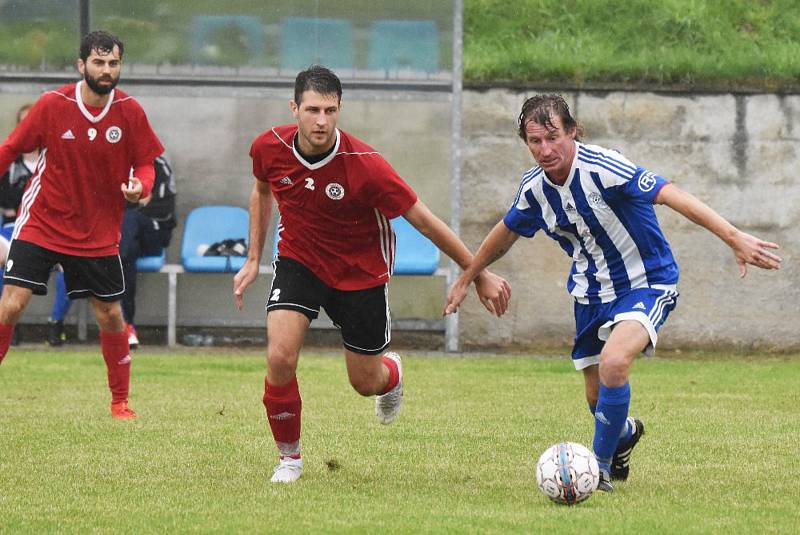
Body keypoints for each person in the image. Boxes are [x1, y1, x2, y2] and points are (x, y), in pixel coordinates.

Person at [444, 94, 781, 492]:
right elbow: (506, 232)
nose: (545, 149)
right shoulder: (535, 189)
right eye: (535, 141)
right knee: (596, 399)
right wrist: (469, 276)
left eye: (553, 137)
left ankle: (597, 472)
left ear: (573, 131)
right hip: (590, 293)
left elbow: (671, 193)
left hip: (648, 281)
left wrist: (732, 236)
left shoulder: (604, 167)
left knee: (614, 363)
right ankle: (623, 438)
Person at [233, 65, 509, 483]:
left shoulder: (366, 165)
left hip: (360, 273)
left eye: (330, 110)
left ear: (340, 109)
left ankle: (391, 373)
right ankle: (289, 459)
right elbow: (261, 190)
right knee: (279, 356)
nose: (321, 120)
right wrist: (254, 258)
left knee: (365, 382)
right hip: (299, 261)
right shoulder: (267, 148)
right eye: (312, 110)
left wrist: (478, 273)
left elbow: (425, 220)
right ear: (294, 108)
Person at [0, 30, 164, 420]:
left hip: (98, 231)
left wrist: (141, 186)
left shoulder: (129, 112)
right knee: (12, 304)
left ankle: (120, 402)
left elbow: (146, 163)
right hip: (42, 222)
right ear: (81, 65)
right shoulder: (52, 105)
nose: (106, 70)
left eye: (113, 63)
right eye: (98, 62)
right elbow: (10, 148)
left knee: (110, 315)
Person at [0, 103, 72, 347]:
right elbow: (7, 202)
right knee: (5, 262)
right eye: (23, 123)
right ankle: (9, 324)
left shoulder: (57, 159)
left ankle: (56, 323)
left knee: (70, 267)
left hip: (54, 229)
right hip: (12, 228)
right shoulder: (9, 162)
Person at [119, 153, 177, 348]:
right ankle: (127, 326)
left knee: (129, 223)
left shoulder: (157, 164)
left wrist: (129, 206)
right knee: (127, 254)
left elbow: (159, 207)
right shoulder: (111, 160)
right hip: (127, 239)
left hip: (154, 232)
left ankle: (124, 324)